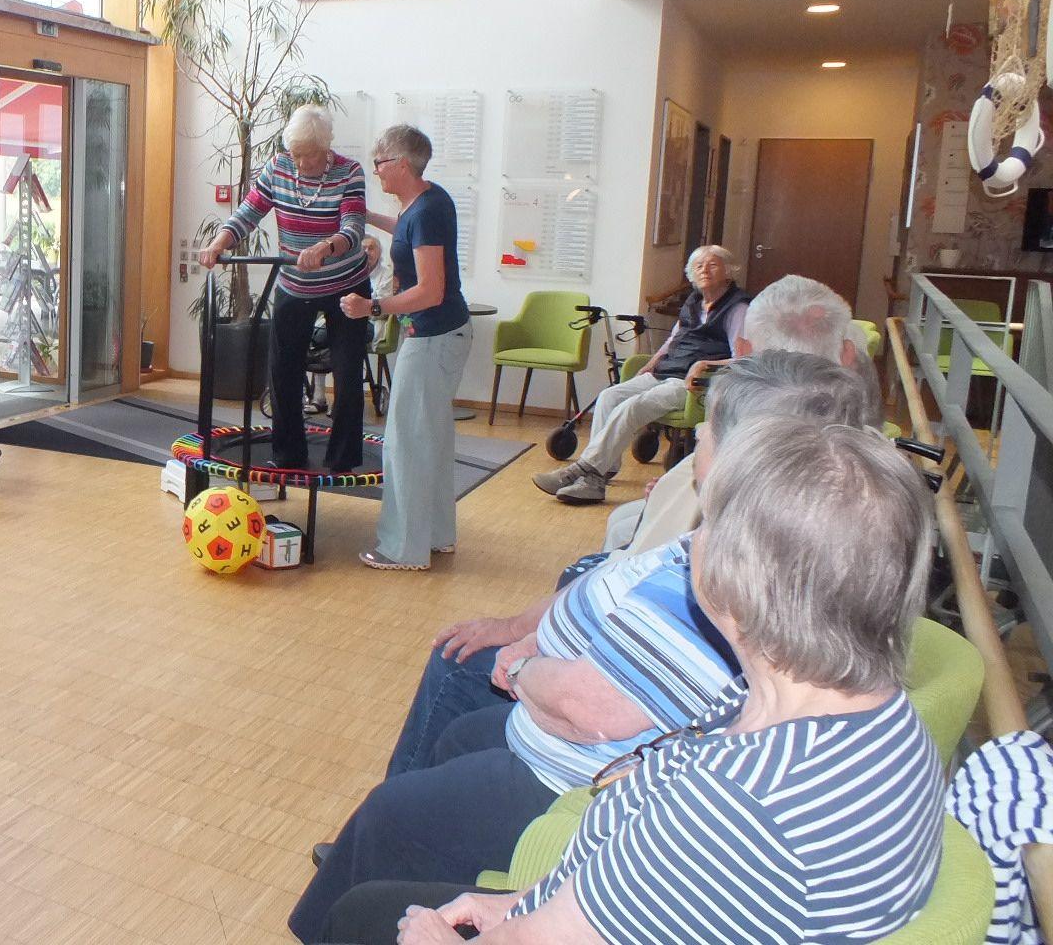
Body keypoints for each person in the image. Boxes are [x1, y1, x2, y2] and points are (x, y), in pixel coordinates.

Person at [290, 352, 875, 942]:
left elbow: (597, 720)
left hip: (569, 774)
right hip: (578, 758)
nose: (696, 434)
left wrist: (524, 664)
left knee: (384, 826)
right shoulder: (769, 573)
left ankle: (366, 879)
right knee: (454, 737)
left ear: (743, 458)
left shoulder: (732, 591)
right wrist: (527, 633)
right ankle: (395, 864)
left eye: (707, 429)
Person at [600, 274, 860, 556]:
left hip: (726, 543)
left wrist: (669, 494)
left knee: (622, 530)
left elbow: (708, 500)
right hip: (798, 538)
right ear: (848, 355)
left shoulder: (736, 414)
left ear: (744, 351)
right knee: (623, 519)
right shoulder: (858, 426)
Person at [197, 103, 372, 473]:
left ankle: (342, 459)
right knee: (283, 369)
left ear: (326, 147)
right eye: (296, 154)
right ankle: (288, 452)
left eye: (309, 155)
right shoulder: (278, 168)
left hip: (346, 284)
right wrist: (219, 242)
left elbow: (354, 229)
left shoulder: (349, 172)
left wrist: (325, 247)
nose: (301, 163)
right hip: (294, 283)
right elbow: (249, 212)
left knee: (346, 372)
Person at [337, 125, 471, 571]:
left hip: (432, 339)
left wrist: (372, 307)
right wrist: (366, 216)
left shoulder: (427, 211)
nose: (375, 170)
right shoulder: (428, 202)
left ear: (400, 164)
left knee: (405, 444)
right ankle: (435, 536)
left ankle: (402, 549)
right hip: (444, 335)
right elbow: (407, 231)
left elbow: (431, 291)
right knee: (430, 440)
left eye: (379, 162)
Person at [534, 245, 749, 506]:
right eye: (699, 266)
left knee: (634, 406)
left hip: (692, 384)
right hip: (666, 371)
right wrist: (652, 362)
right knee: (610, 396)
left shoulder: (737, 307)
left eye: (713, 265)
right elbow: (672, 340)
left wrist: (706, 364)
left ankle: (583, 473)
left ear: (729, 271)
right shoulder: (693, 302)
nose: (705, 270)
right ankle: (600, 474)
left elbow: (744, 359)